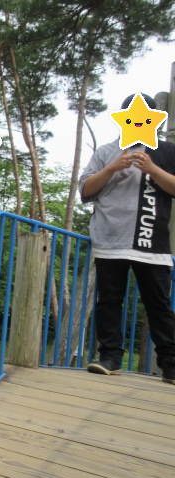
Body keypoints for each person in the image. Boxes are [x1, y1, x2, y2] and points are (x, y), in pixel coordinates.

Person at [78, 92, 175, 382]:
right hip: (110, 240)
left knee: (158, 305)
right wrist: (112, 167)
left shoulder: (167, 151)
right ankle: (110, 358)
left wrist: (152, 169)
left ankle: (171, 364)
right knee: (109, 301)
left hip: (152, 243)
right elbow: (85, 190)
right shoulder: (107, 151)